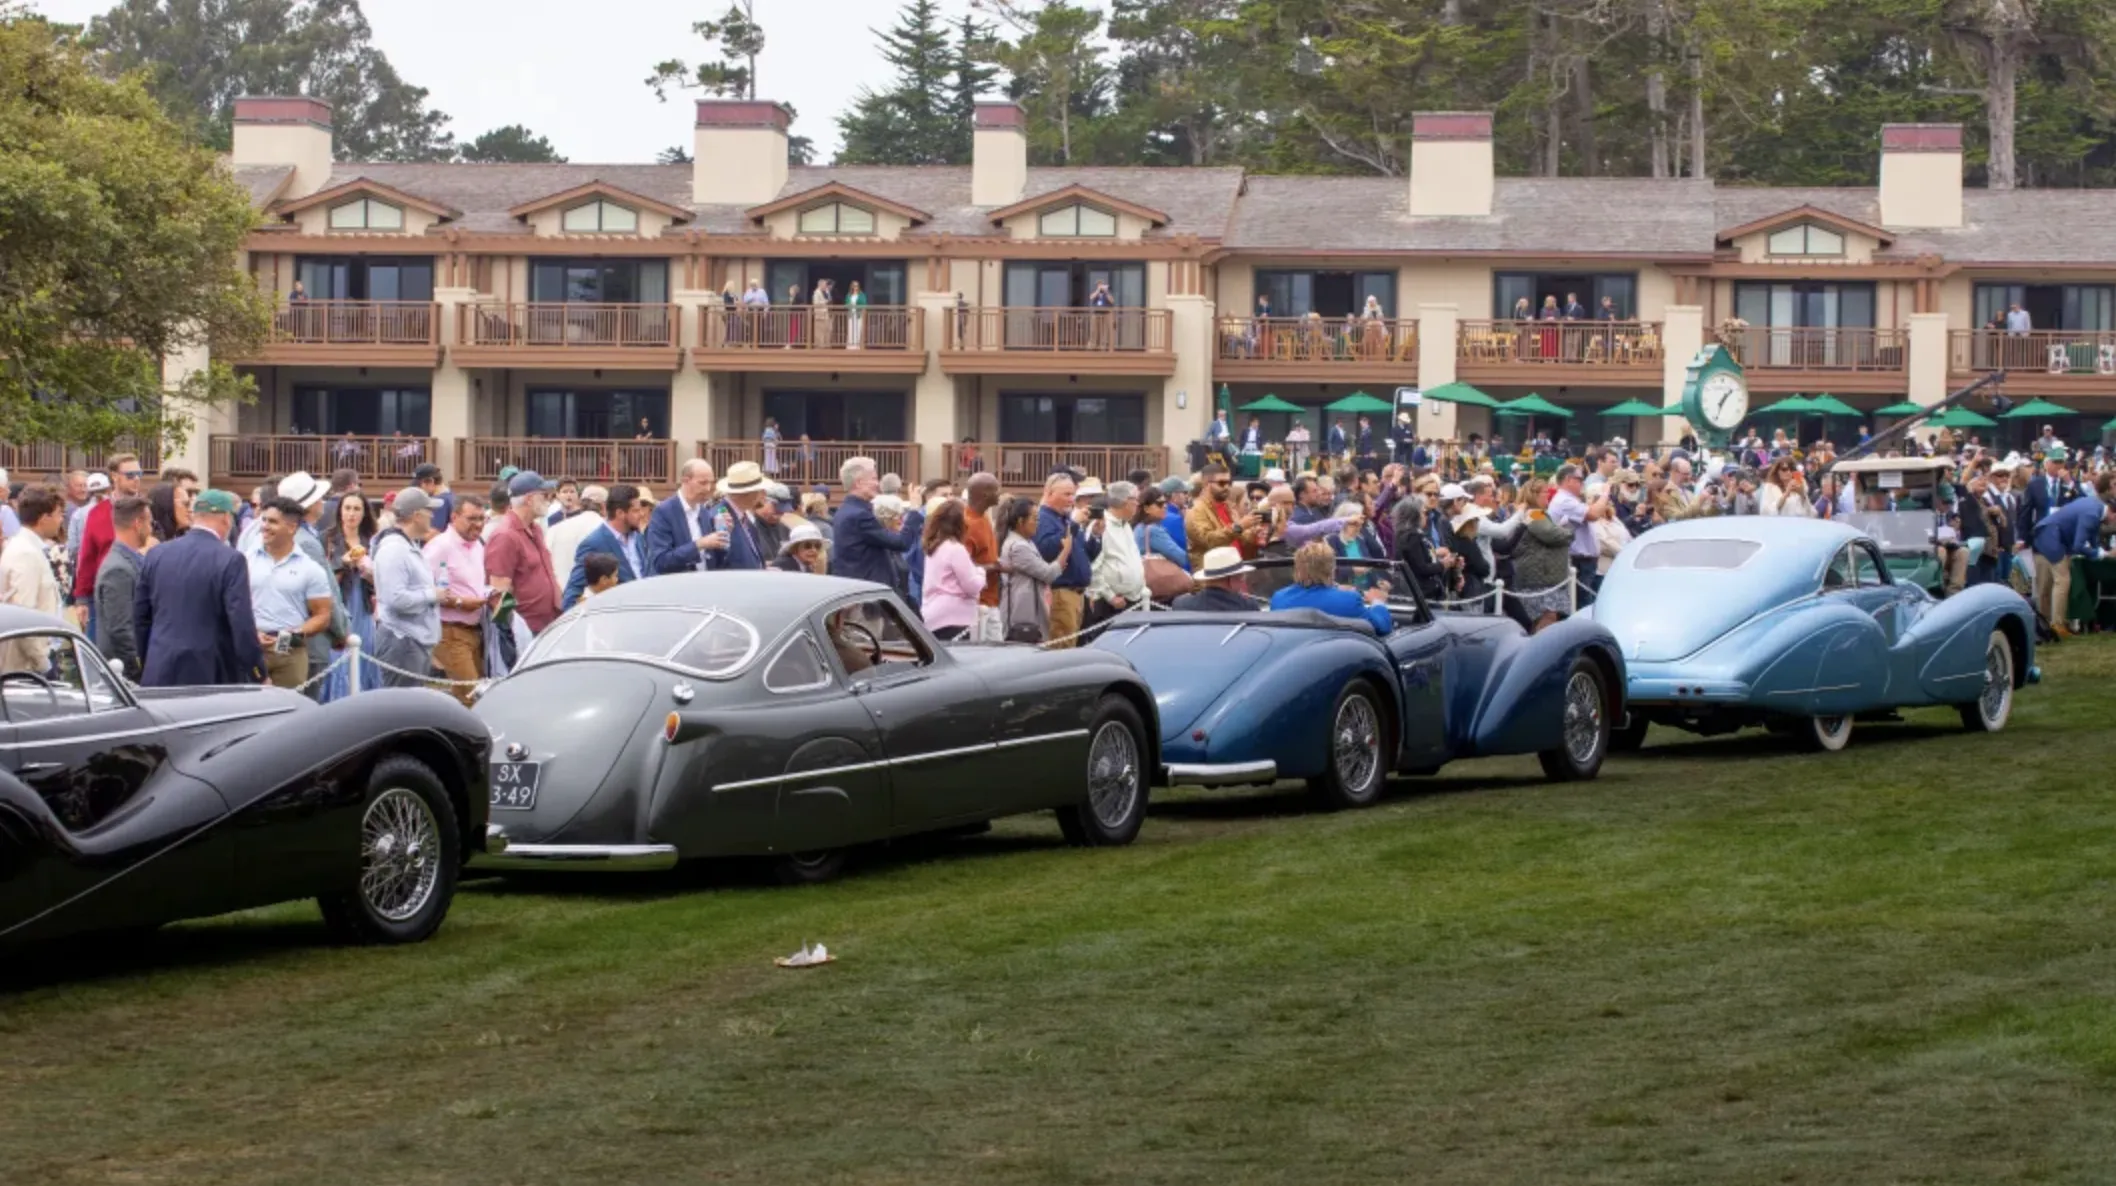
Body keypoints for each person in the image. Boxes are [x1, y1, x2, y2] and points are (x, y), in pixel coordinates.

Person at [134, 490, 265, 688]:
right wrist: (257, 672)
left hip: (160, 666)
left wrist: (148, 660)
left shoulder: (157, 554)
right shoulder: (230, 559)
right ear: (226, 519)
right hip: (211, 673)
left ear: (195, 517)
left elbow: (140, 618)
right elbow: (241, 622)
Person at [245, 496, 334, 690]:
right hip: (250, 647)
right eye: (264, 520)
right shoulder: (246, 560)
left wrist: (292, 634)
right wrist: (252, 632)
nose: (265, 526)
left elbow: (322, 615)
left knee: (289, 712)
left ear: (292, 528)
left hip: (290, 651)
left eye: (273, 522)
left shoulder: (310, 569)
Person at [370, 487, 443, 689]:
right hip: (402, 640)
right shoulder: (394, 549)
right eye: (429, 511)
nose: (432, 516)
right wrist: (432, 595)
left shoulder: (406, 545)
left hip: (411, 640)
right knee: (400, 709)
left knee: (409, 706)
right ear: (416, 515)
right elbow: (395, 599)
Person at [425, 494, 493, 704]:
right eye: (472, 518)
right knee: (472, 695)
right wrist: (459, 602)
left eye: (481, 519)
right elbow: (423, 588)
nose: (478, 524)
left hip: (475, 629)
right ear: (454, 517)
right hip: (450, 630)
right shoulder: (440, 546)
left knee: (473, 691)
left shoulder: (478, 545)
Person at [69, 452, 145, 639]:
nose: (136, 479)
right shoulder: (98, 513)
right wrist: (82, 598)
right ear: (114, 476)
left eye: (139, 474)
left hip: (139, 592)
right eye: (130, 475)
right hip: (103, 595)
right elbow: (87, 556)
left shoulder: (146, 510)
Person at [2030, 474, 2112, 636]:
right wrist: (2103, 554)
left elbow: (2092, 539)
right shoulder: (2093, 513)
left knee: (2046, 584)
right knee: (2062, 581)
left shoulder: (2095, 508)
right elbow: (2079, 545)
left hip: (2047, 535)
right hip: (2051, 538)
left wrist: (2098, 552)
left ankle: (2045, 626)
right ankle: (2057, 625)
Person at [485, 471, 561, 635]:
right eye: (544, 495)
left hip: (547, 625)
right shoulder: (505, 536)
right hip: (525, 630)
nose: (548, 500)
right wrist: (510, 634)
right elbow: (499, 591)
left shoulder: (536, 530)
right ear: (529, 499)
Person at [1, 484, 65, 673]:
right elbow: (23, 616)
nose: (61, 520)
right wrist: (42, 662)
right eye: (59, 514)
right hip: (26, 665)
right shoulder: (25, 554)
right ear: (45, 518)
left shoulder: (28, 548)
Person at [1035, 472, 1100, 648]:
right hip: (1061, 592)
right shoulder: (1043, 518)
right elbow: (1046, 550)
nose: (1071, 499)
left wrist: (1094, 535)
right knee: (1061, 650)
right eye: (1066, 494)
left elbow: (1084, 555)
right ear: (1048, 493)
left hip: (1077, 594)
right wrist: (1074, 525)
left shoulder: (1063, 519)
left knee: (1072, 648)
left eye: (1073, 494)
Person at [830, 456, 919, 585]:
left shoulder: (846, 510)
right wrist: (914, 510)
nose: (878, 484)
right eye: (874, 479)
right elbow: (901, 543)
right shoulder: (859, 515)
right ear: (859, 482)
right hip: (867, 594)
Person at [1270, 542, 1392, 634]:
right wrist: (1377, 602)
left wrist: (1336, 590)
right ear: (1331, 569)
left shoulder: (1279, 598)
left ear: (1297, 568)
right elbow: (1382, 627)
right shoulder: (1349, 600)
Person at [92, 495, 152, 677]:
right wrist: (137, 668)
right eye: (149, 522)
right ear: (137, 524)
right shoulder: (118, 569)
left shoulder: (129, 560)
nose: (151, 529)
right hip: (123, 673)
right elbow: (120, 628)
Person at [563, 484, 648, 609]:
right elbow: (572, 594)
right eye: (635, 510)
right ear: (620, 513)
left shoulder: (638, 538)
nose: (641, 514)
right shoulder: (594, 543)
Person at [999, 496, 1066, 644]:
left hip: (1032, 611)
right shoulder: (1018, 546)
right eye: (1034, 519)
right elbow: (1048, 574)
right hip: (1021, 615)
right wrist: (1066, 549)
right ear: (1020, 521)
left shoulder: (1026, 542)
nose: (1037, 523)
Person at [918, 501, 986, 641]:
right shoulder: (956, 549)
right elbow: (972, 586)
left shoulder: (934, 547)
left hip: (933, 613)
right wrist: (981, 573)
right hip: (954, 617)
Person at [648, 459, 726, 575]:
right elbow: (661, 561)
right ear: (685, 481)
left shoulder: (704, 512)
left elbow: (716, 559)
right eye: (703, 483)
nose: (708, 488)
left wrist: (724, 535)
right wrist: (699, 544)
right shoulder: (664, 512)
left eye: (711, 483)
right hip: (678, 587)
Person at [1086, 481, 1147, 626]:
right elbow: (1094, 566)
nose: (1138, 505)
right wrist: (1110, 597)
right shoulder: (1101, 526)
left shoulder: (1125, 524)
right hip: (1111, 603)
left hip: (1133, 598)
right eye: (1136, 500)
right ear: (1126, 502)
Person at [1184, 463, 1257, 571]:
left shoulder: (1229, 507)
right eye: (1221, 483)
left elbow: (1241, 539)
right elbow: (1208, 540)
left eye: (1229, 482)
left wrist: (1255, 533)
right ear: (1206, 484)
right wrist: (1239, 527)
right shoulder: (1196, 510)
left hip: (1234, 572)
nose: (1227, 487)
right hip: (1211, 577)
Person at [961, 474, 1005, 642]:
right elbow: (964, 568)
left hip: (991, 601)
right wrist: (996, 567)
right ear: (985, 494)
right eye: (996, 489)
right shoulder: (969, 524)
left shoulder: (984, 518)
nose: (1000, 493)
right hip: (979, 605)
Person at [1547, 463, 1598, 602]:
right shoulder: (1564, 500)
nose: (1582, 483)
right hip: (1578, 561)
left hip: (1583, 561)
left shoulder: (1571, 500)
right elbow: (1594, 514)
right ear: (1569, 480)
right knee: (1581, 605)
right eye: (1579, 479)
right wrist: (1604, 494)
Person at [546, 483, 607, 597]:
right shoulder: (606, 530)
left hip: (559, 595)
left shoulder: (555, 528)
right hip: (593, 598)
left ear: (580, 503)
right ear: (604, 506)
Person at [1172, 546, 1257, 611]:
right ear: (1231, 580)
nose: (1243, 581)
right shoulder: (1248, 606)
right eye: (1241, 577)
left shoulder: (1182, 604)